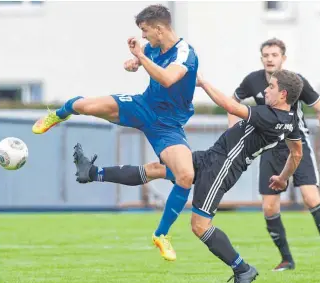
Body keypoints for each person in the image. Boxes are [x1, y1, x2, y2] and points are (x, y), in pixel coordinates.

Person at [73, 69, 304, 283]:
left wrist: (204, 84)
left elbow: (231, 107)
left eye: (271, 87)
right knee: (156, 169)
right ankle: (92, 173)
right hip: (212, 157)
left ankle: (242, 268)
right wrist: (283, 178)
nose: (266, 90)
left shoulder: (271, 116)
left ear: (283, 95)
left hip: (222, 168)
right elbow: (296, 153)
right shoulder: (290, 121)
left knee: (199, 226)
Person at [32, 4, 198, 261]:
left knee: (185, 176)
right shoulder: (154, 47)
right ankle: (56, 115)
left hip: (167, 125)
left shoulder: (186, 54)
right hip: (143, 106)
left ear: (159, 28)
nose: (143, 36)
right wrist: (134, 62)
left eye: (145, 31)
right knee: (85, 105)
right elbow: (144, 60)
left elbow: (167, 78)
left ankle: (161, 234)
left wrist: (140, 57)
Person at [228, 38, 320, 272]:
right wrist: (232, 133)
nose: (270, 58)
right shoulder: (253, 80)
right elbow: (233, 102)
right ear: (261, 58)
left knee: (310, 197)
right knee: (269, 208)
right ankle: (286, 260)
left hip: (296, 144)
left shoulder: (295, 82)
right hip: (269, 146)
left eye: (274, 55)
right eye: (266, 55)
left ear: (283, 58)